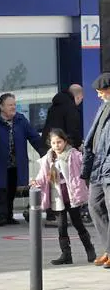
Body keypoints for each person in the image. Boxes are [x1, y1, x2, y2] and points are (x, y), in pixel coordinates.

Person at [0, 93, 44, 226]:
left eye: (14, 105)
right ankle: (1, 217)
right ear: (1, 107)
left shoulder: (21, 120)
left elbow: (34, 137)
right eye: (10, 105)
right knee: (0, 189)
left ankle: (9, 215)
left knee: (11, 189)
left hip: (16, 162)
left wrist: (44, 153)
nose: (13, 107)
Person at [30, 128, 96, 265]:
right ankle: (66, 254)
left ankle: (90, 250)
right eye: (53, 143)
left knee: (78, 223)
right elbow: (43, 176)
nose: (56, 146)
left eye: (59, 142)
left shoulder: (73, 154)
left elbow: (85, 164)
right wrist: (36, 181)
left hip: (72, 195)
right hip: (57, 196)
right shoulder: (49, 158)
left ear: (65, 142)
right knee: (61, 226)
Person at [41, 84, 85, 224]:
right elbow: (73, 130)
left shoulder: (54, 106)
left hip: (50, 147)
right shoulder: (71, 108)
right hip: (63, 149)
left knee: (52, 180)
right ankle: (72, 213)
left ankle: (51, 213)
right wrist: (78, 144)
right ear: (79, 96)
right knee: (69, 180)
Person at [81, 72, 110, 268]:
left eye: (101, 92)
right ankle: (108, 249)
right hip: (98, 167)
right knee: (94, 205)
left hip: (109, 166)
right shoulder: (103, 107)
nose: (99, 96)